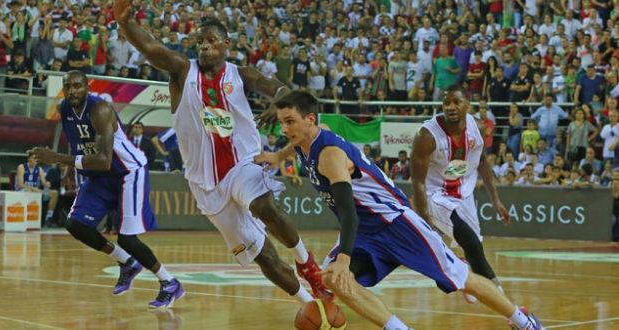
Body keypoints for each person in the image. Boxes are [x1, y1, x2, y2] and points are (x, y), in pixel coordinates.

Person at [257, 90, 544, 330]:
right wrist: (277, 155)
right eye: (282, 123)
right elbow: (294, 146)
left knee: (462, 280)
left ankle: (523, 321)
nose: (284, 129)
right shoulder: (308, 137)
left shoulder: (330, 156)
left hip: (396, 223)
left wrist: (344, 257)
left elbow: (349, 213)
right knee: (333, 279)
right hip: (368, 232)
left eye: (290, 122)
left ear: (309, 120)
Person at [114, 4, 331, 304]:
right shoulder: (182, 70)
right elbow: (152, 48)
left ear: (226, 44)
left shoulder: (242, 74)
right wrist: (125, 24)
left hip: (242, 163)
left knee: (263, 205)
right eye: (200, 41)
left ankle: (306, 263)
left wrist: (282, 102)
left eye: (211, 40)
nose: (204, 45)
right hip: (205, 185)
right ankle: (310, 306)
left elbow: (277, 88)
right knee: (263, 256)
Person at [30, 71, 184, 309]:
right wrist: (71, 171)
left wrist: (58, 158)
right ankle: (127, 263)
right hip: (97, 176)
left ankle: (169, 282)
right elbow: (76, 142)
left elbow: (103, 159)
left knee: (127, 238)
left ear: (87, 87)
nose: (72, 91)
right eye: (67, 86)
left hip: (126, 172)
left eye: (77, 86)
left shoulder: (100, 110)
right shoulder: (65, 108)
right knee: (76, 225)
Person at [410, 84, 510, 304]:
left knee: (475, 247)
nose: (451, 107)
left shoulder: (477, 128)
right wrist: (426, 221)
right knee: (472, 242)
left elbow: (482, 161)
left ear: (468, 105)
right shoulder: (426, 135)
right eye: (447, 103)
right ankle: (507, 305)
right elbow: (417, 181)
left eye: (456, 102)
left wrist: (495, 199)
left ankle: (465, 273)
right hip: (434, 193)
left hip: (462, 190)